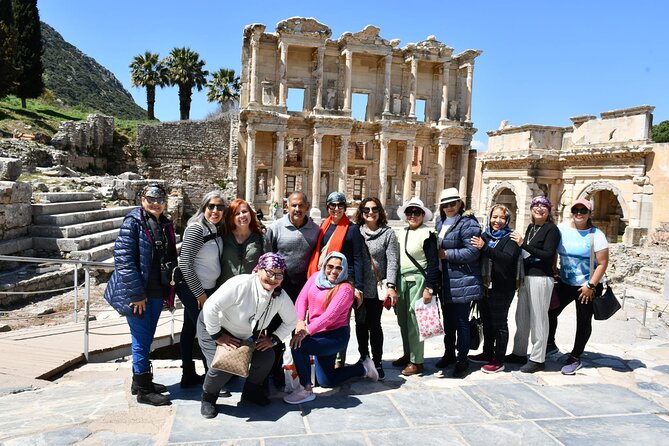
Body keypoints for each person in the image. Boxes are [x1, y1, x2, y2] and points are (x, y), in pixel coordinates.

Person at [197, 253, 297, 419]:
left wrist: (273, 339)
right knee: (224, 365)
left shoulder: (279, 295)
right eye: (269, 272)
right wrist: (218, 336)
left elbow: (291, 320)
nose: (273, 278)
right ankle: (208, 398)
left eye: (279, 274)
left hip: (244, 333)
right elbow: (210, 308)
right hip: (214, 326)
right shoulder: (241, 284)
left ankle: (251, 392)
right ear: (259, 270)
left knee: (266, 356)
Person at [104, 183, 176, 406]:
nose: (155, 203)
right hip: (139, 294)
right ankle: (144, 390)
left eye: (160, 199)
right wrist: (136, 295)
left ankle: (140, 381)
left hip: (154, 291)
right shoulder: (133, 223)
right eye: (151, 199)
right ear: (142, 199)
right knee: (141, 339)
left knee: (146, 337)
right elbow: (124, 261)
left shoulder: (162, 223)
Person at [283, 252, 379, 405]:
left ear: (344, 270)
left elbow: (330, 316)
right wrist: (300, 321)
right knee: (327, 380)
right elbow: (302, 299)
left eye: (339, 268)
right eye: (330, 266)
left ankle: (305, 389)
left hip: (334, 337)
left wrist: (305, 331)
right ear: (324, 266)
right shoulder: (315, 278)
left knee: (298, 345)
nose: (334, 271)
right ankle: (363, 368)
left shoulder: (345, 289)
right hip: (316, 334)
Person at [547, 198, 609, 375]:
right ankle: (550, 345)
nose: (579, 214)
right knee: (550, 311)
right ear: (572, 212)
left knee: (583, 321)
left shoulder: (596, 235)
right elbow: (553, 250)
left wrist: (591, 285)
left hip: (588, 286)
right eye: (576, 210)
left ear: (590, 213)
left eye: (583, 211)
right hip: (566, 282)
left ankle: (575, 356)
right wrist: (554, 269)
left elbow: (603, 263)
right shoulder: (562, 229)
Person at [264, 191, 320, 387]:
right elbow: (267, 255)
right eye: (293, 205)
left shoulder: (315, 229)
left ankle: (304, 370)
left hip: (303, 289)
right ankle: (273, 371)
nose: (297, 209)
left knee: (301, 331)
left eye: (301, 205)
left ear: (307, 207)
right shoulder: (276, 227)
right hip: (280, 288)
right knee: (275, 329)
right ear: (287, 206)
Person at [307, 191, 364, 366]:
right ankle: (321, 357)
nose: (336, 208)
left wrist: (357, 285)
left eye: (340, 205)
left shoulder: (353, 229)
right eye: (333, 205)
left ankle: (339, 359)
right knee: (320, 318)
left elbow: (357, 258)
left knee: (339, 320)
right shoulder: (324, 227)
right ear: (328, 207)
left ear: (345, 207)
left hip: (342, 282)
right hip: (323, 281)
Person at [176, 191, 226, 388]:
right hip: (195, 290)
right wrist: (201, 295)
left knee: (189, 330)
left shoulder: (213, 228)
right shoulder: (197, 229)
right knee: (207, 332)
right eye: (211, 206)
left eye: (220, 207)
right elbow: (185, 263)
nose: (215, 211)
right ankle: (211, 380)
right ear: (203, 207)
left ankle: (188, 375)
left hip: (206, 289)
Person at [506, 196, 561, 373]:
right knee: (521, 317)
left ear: (549, 210)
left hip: (541, 277)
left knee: (539, 318)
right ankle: (519, 352)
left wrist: (523, 244)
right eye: (536, 206)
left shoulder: (551, 230)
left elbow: (547, 254)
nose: (539, 209)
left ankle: (538, 358)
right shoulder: (531, 227)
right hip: (526, 276)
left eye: (543, 206)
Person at [433, 188, 482, 378]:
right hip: (445, 280)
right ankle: (449, 354)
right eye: (445, 204)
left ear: (460, 204)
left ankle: (463, 359)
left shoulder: (468, 223)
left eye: (453, 203)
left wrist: (447, 255)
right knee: (449, 322)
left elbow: (472, 252)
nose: (449, 207)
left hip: (463, 280)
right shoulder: (440, 222)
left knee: (461, 322)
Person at [470, 204, 520, 373]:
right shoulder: (486, 235)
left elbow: (506, 258)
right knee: (486, 321)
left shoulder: (511, 238)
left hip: (502, 287)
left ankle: (499, 360)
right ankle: (487, 352)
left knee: (499, 324)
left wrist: (485, 248)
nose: (497, 221)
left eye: (502, 218)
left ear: (507, 220)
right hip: (485, 286)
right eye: (495, 217)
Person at [393, 198, 440, 376]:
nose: (413, 216)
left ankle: (417, 361)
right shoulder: (400, 232)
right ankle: (408, 354)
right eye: (410, 212)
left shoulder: (427, 234)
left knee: (415, 321)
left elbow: (433, 263)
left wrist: (429, 288)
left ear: (423, 215)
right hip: (402, 280)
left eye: (417, 213)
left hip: (419, 280)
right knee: (402, 319)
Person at [354, 197, 399, 380]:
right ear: (361, 213)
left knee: (375, 325)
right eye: (366, 210)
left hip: (377, 288)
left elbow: (393, 261)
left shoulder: (388, 233)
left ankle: (378, 361)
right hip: (359, 288)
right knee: (360, 325)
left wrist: (391, 286)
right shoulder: (356, 232)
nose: (370, 213)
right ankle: (364, 357)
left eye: (374, 209)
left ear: (380, 211)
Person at [220, 198, 266, 283]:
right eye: (237, 214)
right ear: (231, 218)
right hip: (226, 290)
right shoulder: (223, 237)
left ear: (250, 213)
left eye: (244, 211)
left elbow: (268, 264)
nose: (242, 215)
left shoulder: (261, 238)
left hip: (250, 289)